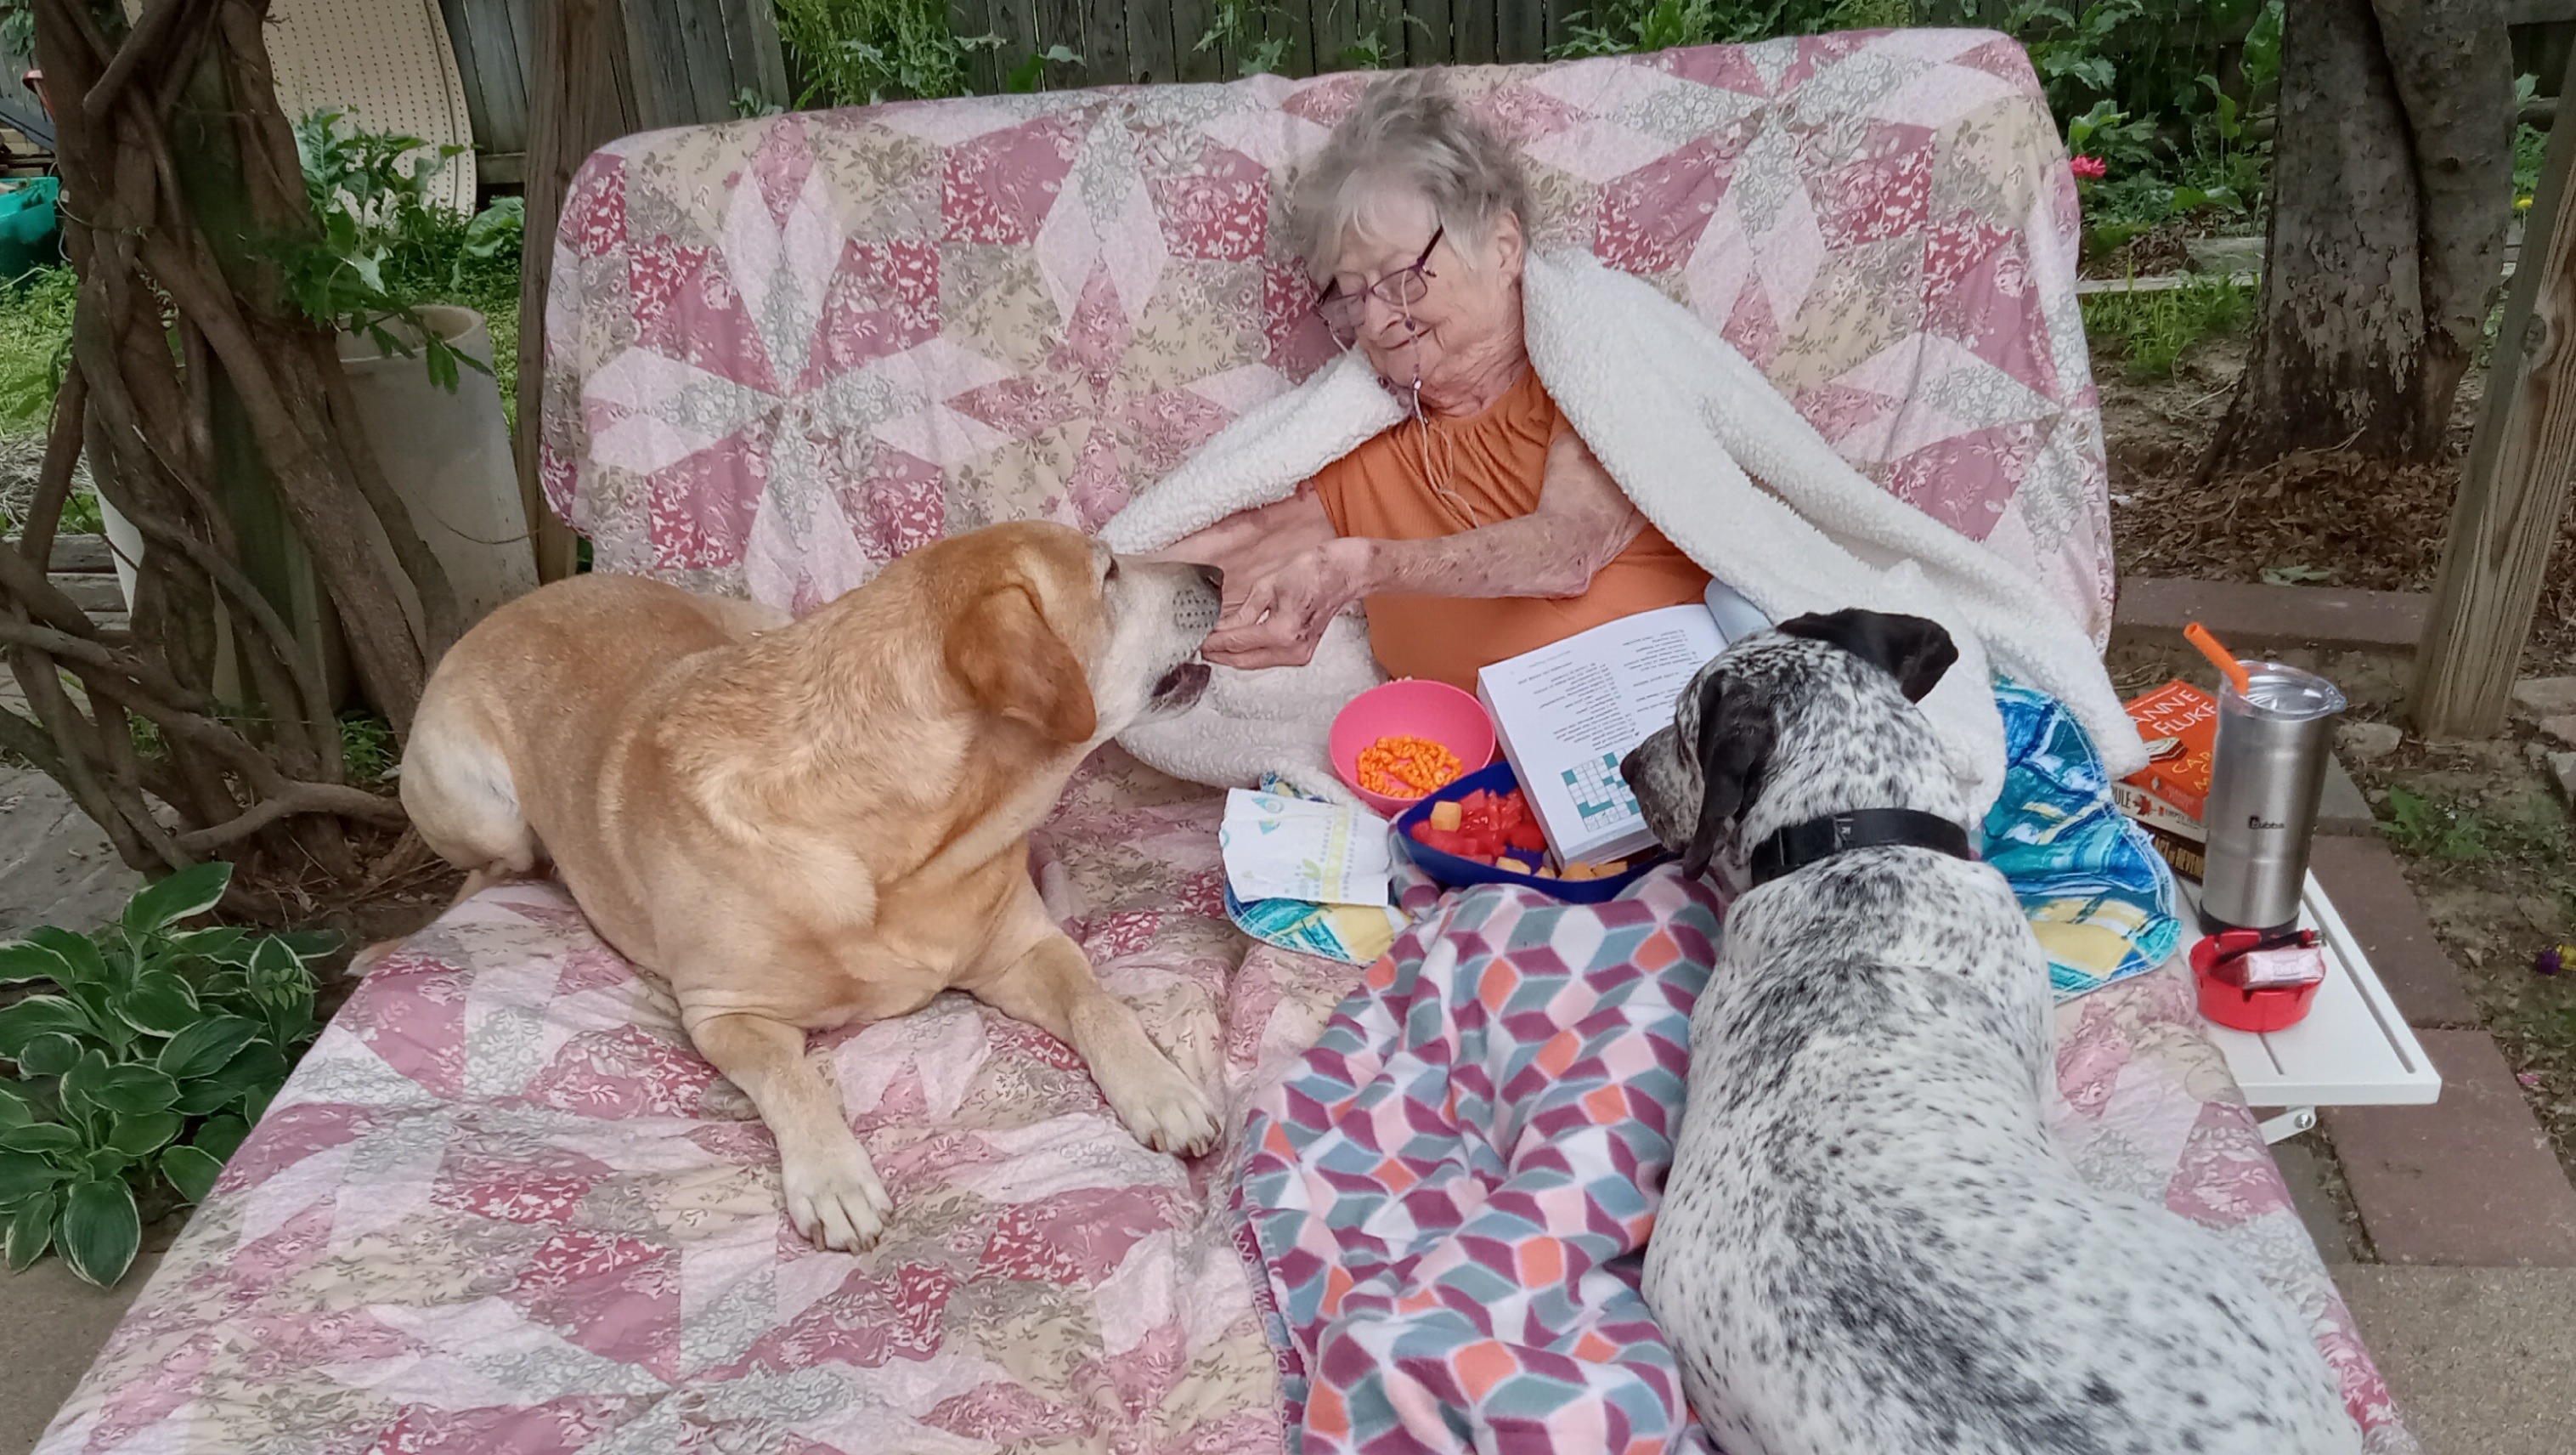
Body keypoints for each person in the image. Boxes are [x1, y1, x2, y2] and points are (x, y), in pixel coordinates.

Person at [1155, 73, 1712, 692]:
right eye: (1353, 296)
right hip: (1462, 752)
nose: (1374, 321)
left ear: (1502, 248)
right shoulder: (1365, 458)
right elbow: (1208, 567)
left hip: (1695, 721)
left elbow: (1568, 551)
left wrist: (1368, 567)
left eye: (1401, 279)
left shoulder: (1591, 374)